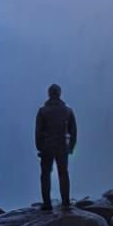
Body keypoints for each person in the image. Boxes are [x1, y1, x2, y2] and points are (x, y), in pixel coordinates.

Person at [35, 83, 77, 211]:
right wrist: (71, 147)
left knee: (45, 174)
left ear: (49, 94)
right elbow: (73, 131)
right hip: (62, 147)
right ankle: (65, 202)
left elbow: (38, 132)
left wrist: (39, 147)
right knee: (63, 173)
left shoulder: (42, 111)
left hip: (47, 147)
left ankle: (47, 203)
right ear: (59, 94)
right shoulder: (67, 110)